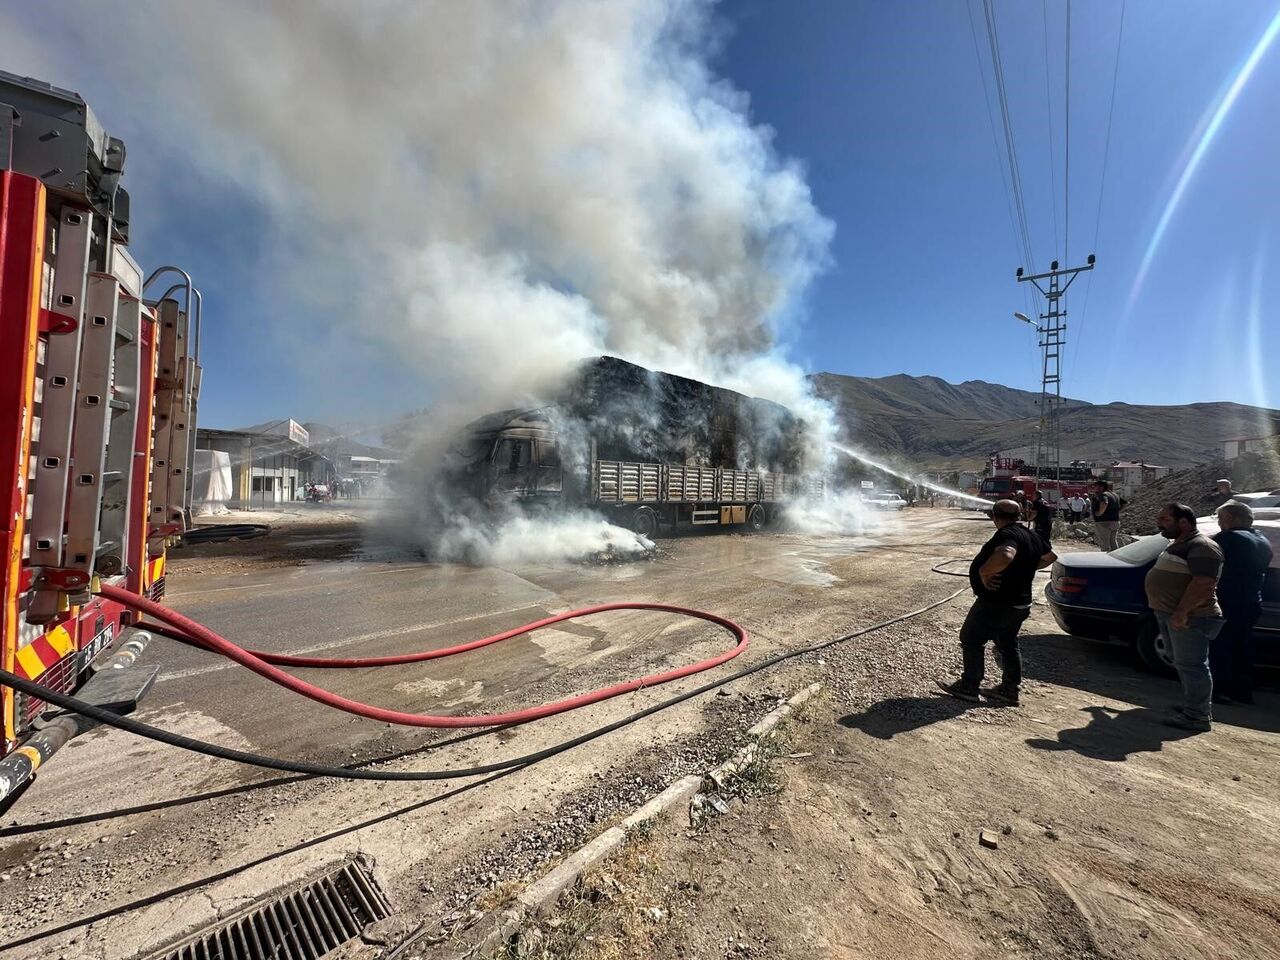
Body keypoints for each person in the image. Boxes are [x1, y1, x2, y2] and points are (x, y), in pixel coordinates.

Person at [937, 499, 1057, 706]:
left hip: (998, 603)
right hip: (1020, 603)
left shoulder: (1007, 534)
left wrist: (985, 572)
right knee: (1008, 643)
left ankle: (969, 686)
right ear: (1018, 516)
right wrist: (1024, 568)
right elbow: (1050, 557)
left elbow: (1005, 554)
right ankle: (1009, 690)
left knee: (971, 638)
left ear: (995, 516)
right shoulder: (1030, 535)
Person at [1145, 502, 1224, 732]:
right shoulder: (1180, 543)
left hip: (1192, 617)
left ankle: (1198, 716)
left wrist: (1181, 612)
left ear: (1184, 522)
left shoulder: (1202, 546)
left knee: (1192, 665)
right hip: (1173, 615)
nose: (1159, 524)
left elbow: (1204, 583)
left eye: (1165, 520)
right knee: (1181, 662)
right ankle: (1193, 706)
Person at [1210, 501, 1273, 704]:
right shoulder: (1262, 539)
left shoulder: (1227, 539)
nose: (1219, 523)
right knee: (1242, 646)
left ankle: (1218, 690)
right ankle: (1242, 691)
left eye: (1220, 519)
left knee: (1219, 647)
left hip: (1227, 602)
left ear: (1229, 518)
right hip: (1251, 601)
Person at [1091, 480, 1122, 551]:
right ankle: (1115, 557)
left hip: (1104, 522)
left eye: (1096, 486)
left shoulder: (1103, 495)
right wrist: (1117, 511)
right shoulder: (1115, 495)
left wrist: (1100, 513)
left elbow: (1105, 502)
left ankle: (1105, 557)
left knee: (1104, 544)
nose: (1094, 487)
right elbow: (1124, 504)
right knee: (1113, 542)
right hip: (1115, 521)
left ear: (1102, 487)